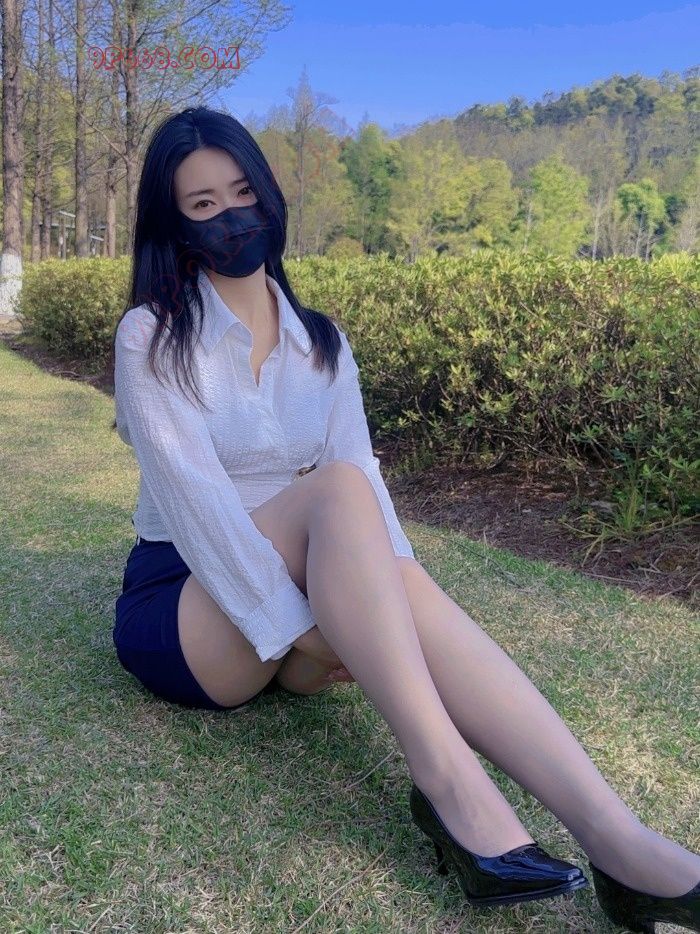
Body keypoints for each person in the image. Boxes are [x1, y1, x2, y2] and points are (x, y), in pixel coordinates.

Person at [110, 105, 700, 927]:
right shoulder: (151, 336)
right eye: (203, 204)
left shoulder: (323, 342)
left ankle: (624, 847)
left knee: (371, 521)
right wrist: (306, 629)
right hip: (189, 613)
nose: (232, 217)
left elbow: (371, 493)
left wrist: (389, 597)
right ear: (174, 223)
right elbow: (200, 510)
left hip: (302, 613)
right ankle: (450, 784)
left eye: (243, 192)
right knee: (337, 489)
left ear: (271, 196)